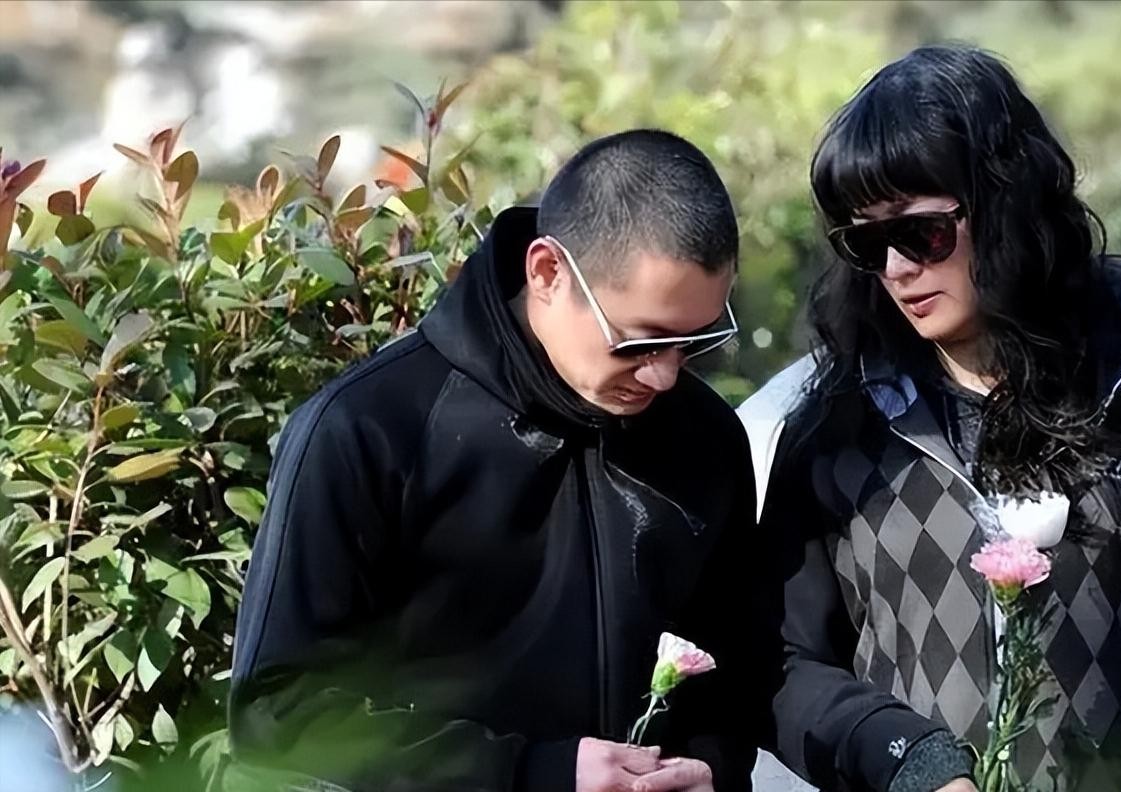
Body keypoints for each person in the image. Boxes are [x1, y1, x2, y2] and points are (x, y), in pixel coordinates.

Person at [229, 129, 779, 792]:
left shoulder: (707, 437)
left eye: (694, 342)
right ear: (546, 273)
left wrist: (712, 766)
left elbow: (738, 671)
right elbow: (279, 712)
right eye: (640, 342)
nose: (663, 376)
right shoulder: (368, 430)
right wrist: (534, 774)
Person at [744, 45, 1121, 792]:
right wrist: (905, 759)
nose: (896, 269)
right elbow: (774, 665)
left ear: (1008, 205)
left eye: (922, 233)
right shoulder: (835, 434)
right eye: (865, 242)